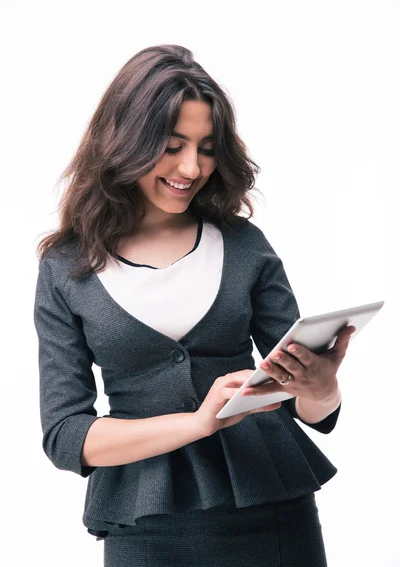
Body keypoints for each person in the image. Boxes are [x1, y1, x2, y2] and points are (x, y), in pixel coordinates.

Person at [33, 44, 355, 567]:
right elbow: (67, 437)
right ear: (126, 141)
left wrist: (323, 388)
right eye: (172, 144)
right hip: (146, 527)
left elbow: (304, 403)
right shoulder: (66, 267)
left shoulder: (244, 244)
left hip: (271, 511)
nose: (192, 166)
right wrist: (198, 421)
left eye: (207, 147)